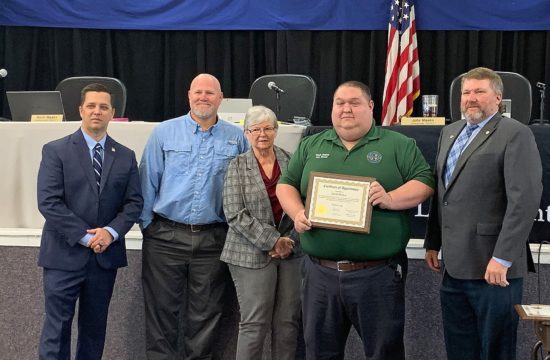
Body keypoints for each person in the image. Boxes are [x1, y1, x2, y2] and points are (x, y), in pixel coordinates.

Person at [276, 80, 434, 359]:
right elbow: (285, 184)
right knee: (319, 352)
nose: (346, 109)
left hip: (377, 276)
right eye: (340, 103)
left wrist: (390, 199)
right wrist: (298, 213)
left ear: (370, 107)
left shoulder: (398, 143)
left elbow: (424, 182)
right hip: (319, 275)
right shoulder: (312, 144)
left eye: (354, 102)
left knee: (383, 352)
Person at [424, 67, 543, 360]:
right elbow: (444, 194)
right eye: (466, 92)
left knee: (496, 351)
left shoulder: (515, 133)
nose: (471, 99)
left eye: (479, 91)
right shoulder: (449, 132)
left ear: (498, 97)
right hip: (454, 267)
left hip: (494, 268)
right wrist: (432, 242)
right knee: (460, 349)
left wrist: (502, 257)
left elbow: (524, 201)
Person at [139, 73, 248, 359]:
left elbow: (248, 185)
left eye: (210, 93)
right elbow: (147, 181)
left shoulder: (236, 138)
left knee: (206, 318)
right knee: (161, 315)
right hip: (165, 237)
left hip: (213, 240)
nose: (203, 97)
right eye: (198, 92)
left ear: (220, 99)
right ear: (188, 96)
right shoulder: (164, 132)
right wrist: (149, 228)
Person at [37, 83, 143, 360]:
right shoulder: (56, 150)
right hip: (63, 256)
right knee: (56, 329)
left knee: (94, 330)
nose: (97, 111)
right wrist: (87, 237)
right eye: (92, 106)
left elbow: (133, 204)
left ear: (112, 113)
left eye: (104, 107)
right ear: (81, 110)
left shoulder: (125, 156)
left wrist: (109, 233)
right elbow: (49, 202)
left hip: (103, 258)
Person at [221, 105, 303, 360]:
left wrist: (288, 242)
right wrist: (272, 240)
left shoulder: (292, 161)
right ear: (246, 133)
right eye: (255, 129)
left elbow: (304, 204)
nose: (262, 134)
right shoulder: (236, 166)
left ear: (276, 131)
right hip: (249, 253)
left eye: (268, 128)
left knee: (287, 324)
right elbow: (234, 213)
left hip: (291, 252)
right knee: (254, 325)